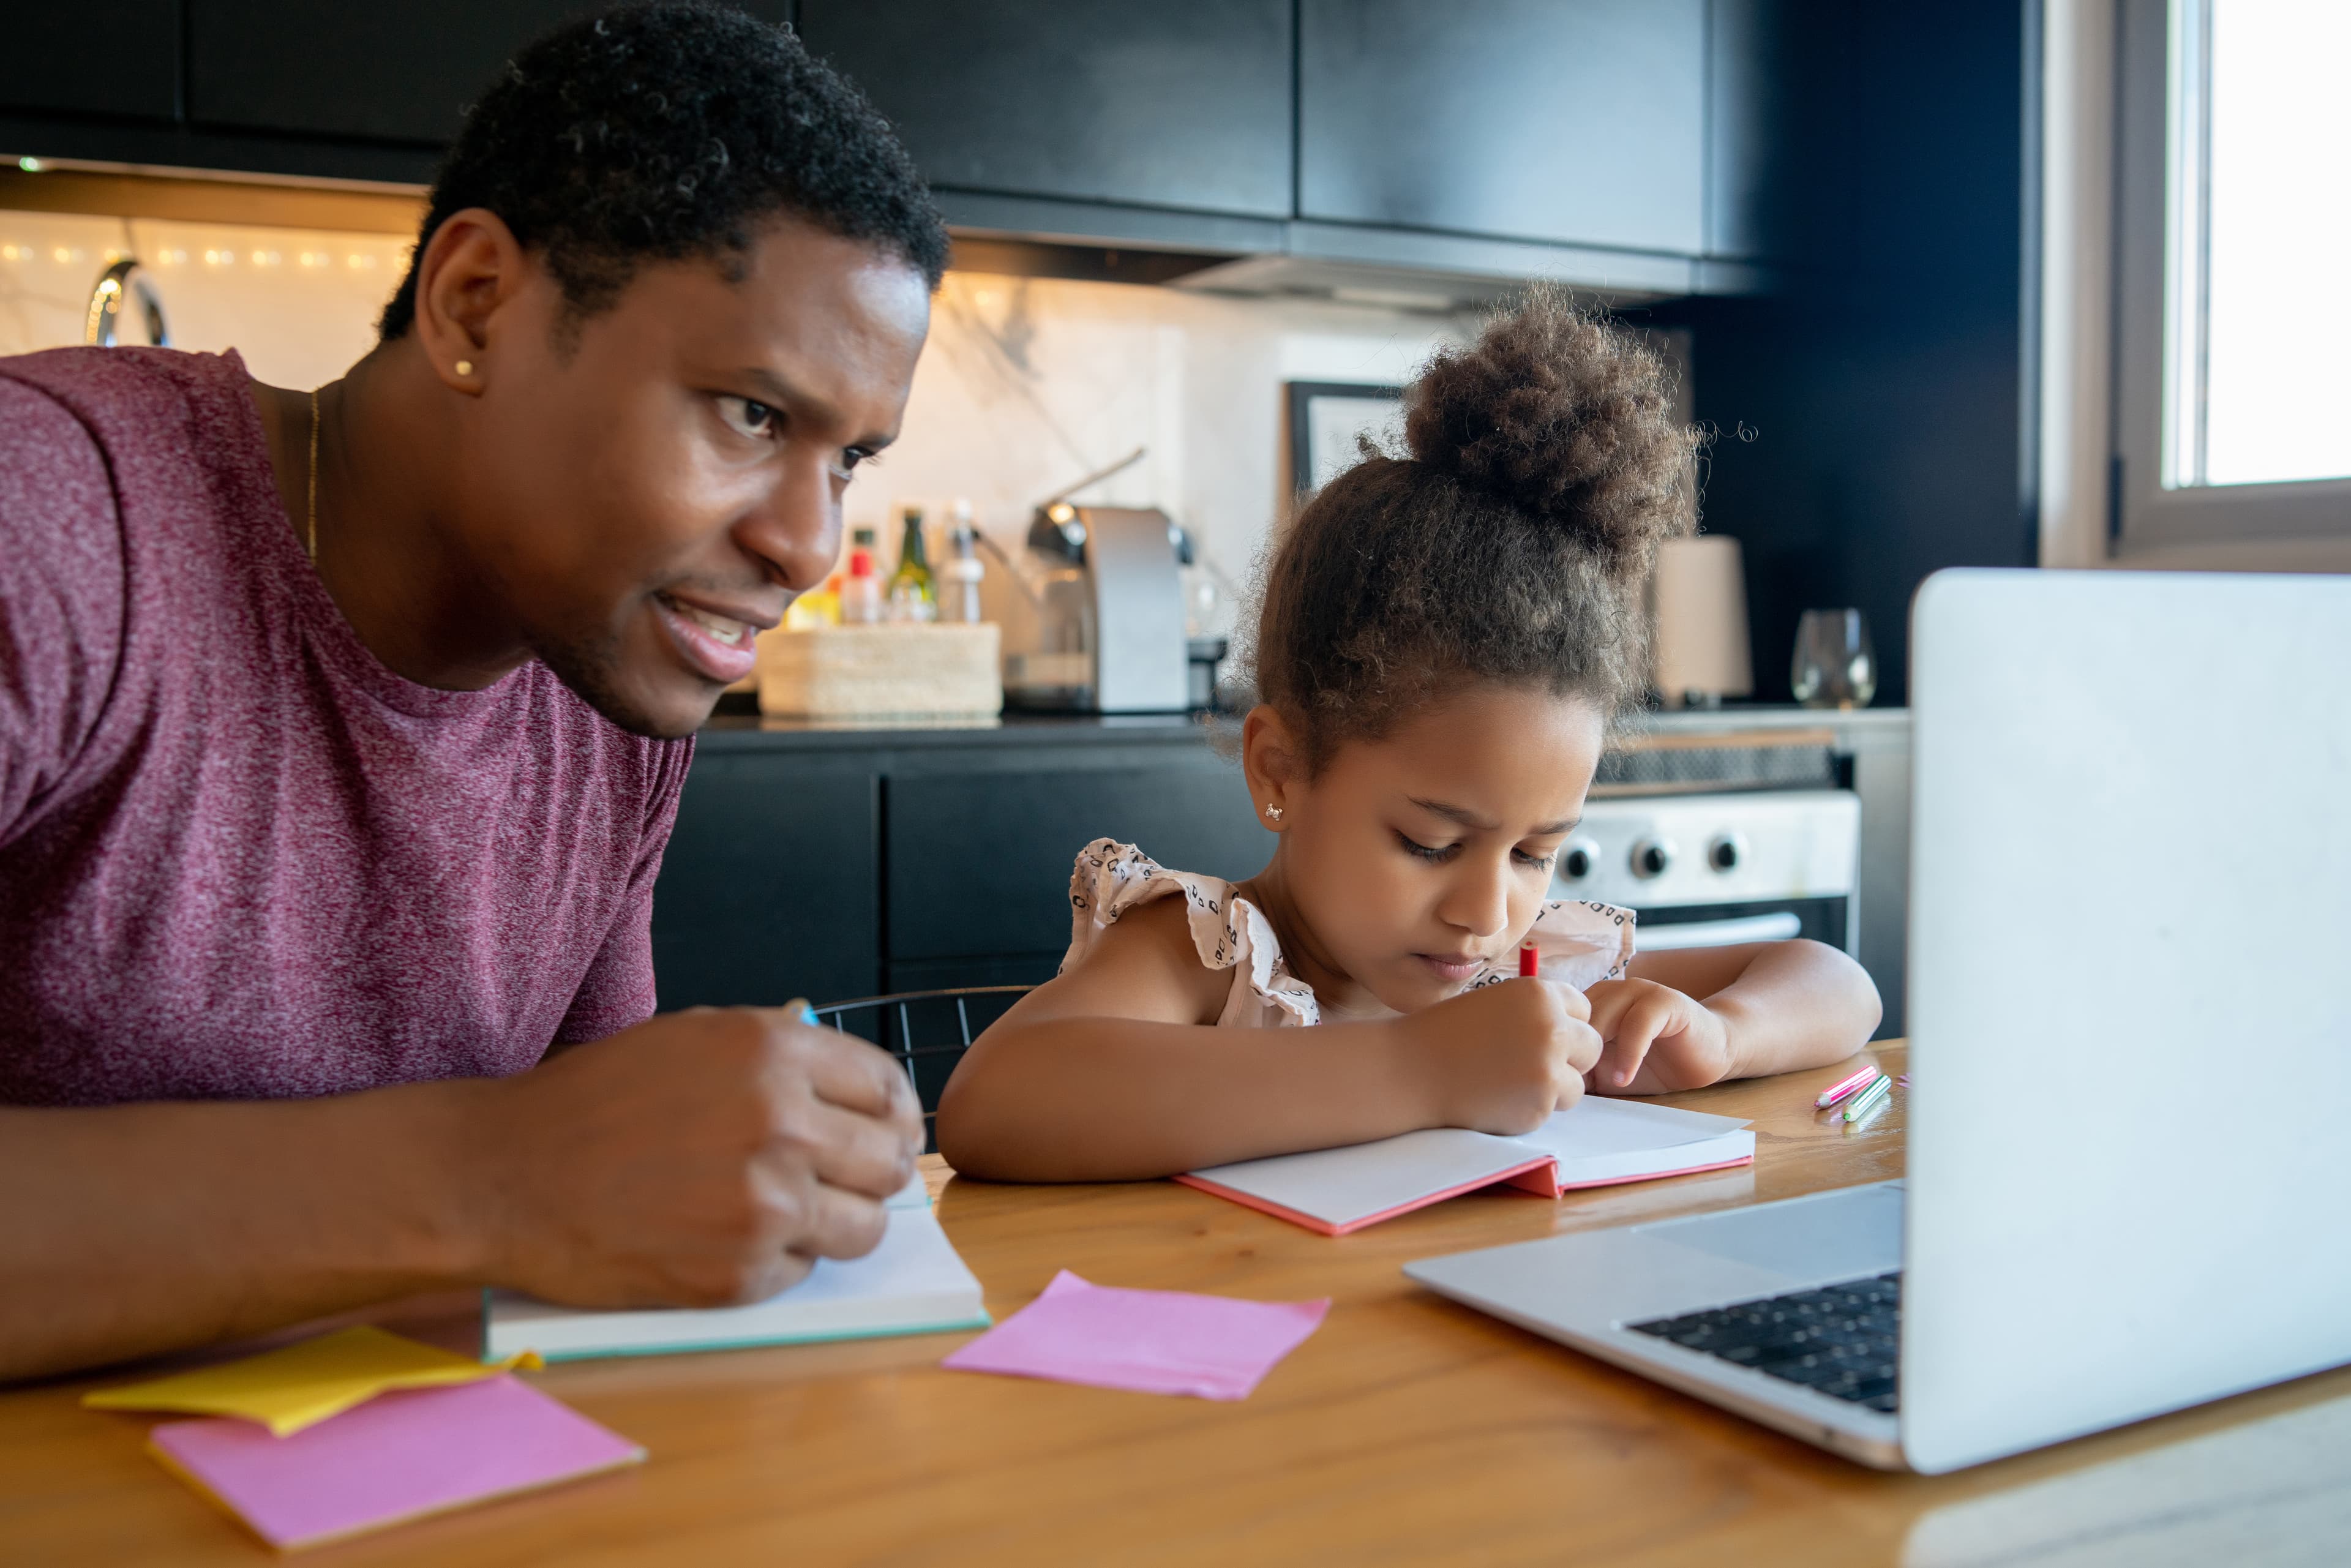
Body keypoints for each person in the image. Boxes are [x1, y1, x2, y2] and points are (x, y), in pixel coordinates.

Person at [0, 4, 947, 1381]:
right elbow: (531, 1184)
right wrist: (495, 1175)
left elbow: (593, 1232)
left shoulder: (602, 676)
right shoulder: (52, 520)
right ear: (476, 306)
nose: (808, 545)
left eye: (852, 458)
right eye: (752, 412)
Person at [935, 296, 1883, 1182]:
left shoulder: (1523, 975)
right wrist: (1417, 1068)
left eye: (1535, 851)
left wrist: (1724, 1034)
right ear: (1281, 770)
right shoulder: (1208, 957)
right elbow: (991, 1100)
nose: (1485, 909)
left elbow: (1837, 983)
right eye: (1431, 843)